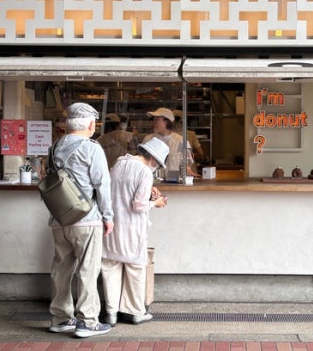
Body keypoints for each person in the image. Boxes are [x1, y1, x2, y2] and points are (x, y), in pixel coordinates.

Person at [47, 102, 114, 338]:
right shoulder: (92, 148)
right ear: (90, 124)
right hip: (87, 218)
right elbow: (102, 185)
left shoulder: (55, 147)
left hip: (59, 219)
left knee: (61, 269)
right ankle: (88, 321)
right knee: (87, 269)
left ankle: (60, 318)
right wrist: (108, 216)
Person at [101, 138, 169, 326]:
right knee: (135, 269)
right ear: (153, 158)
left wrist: (149, 190)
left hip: (112, 225)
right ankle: (135, 312)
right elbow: (138, 205)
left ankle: (111, 312)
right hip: (132, 227)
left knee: (110, 267)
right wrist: (156, 203)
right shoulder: (145, 172)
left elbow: (119, 191)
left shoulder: (119, 163)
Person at [143, 107, 200, 179]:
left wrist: (187, 169)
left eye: (156, 119)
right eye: (153, 119)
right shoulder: (148, 140)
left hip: (173, 185)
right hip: (152, 184)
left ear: (166, 121)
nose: (153, 122)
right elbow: (142, 163)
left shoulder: (181, 141)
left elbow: (186, 163)